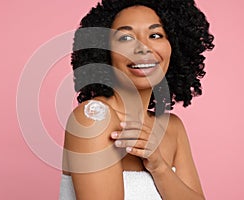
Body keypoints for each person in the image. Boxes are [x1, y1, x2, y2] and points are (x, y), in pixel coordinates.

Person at [59, 0, 214, 199]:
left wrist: (159, 167)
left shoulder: (172, 128)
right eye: (125, 38)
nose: (143, 48)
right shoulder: (93, 119)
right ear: (105, 52)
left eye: (155, 35)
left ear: (174, 47)